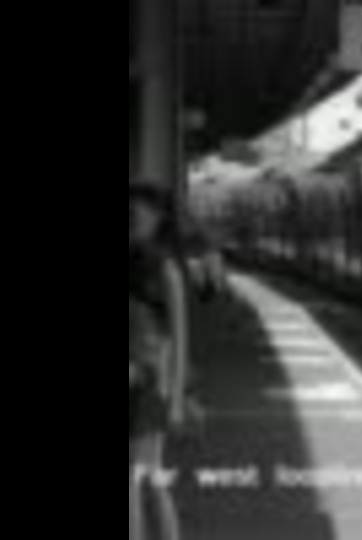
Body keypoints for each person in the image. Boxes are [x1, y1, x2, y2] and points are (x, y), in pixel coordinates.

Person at [129, 180, 187, 540]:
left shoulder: (167, 270)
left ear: (158, 217)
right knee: (150, 480)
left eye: (134, 214)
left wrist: (176, 401)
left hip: (151, 387)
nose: (129, 220)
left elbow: (180, 341)